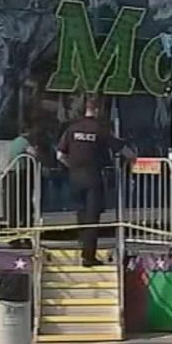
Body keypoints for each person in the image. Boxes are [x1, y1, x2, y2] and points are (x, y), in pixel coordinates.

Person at [57, 98, 122, 267]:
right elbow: (120, 148)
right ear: (98, 110)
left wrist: (73, 166)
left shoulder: (72, 129)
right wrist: (133, 157)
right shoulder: (99, 129)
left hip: (75, 178)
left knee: (81, 216)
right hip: (93, 177)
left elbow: (60, 155)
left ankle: (82, 248)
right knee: (92, 218)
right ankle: (88, 256)